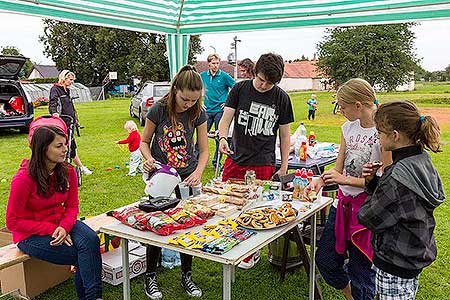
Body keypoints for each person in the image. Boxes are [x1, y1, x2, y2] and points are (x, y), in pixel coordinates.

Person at [304, 78, 391, 300]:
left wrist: (344, 179)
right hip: (342, 204)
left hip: (367, 210)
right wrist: (321, 181)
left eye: (343, 107)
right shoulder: (347, 128)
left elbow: (385, 181)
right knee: (325, 260)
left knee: (361, 271)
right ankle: (352, 296)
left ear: (358, 105)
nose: (340, 111)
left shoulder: (383, 133)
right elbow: (339, 167)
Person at [358, 101, 445, 300]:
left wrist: (371, 191)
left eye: (379, 133)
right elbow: (401, 202)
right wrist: (373, 182)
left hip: (395, 263)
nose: (378, 139)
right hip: (413, 254)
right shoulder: (420, 159)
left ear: (395, 135)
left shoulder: (397, 176)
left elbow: (369, 217)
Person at [6, 124, 103, 300]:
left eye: (65, 144)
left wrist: (64, 227)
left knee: (91, 241)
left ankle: (93, 297)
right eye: (59, 146)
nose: (66, 149)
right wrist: (51, 229)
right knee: (82, 254)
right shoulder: (23, 179)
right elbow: (12, 221)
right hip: (29, 235)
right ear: (43, 149)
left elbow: (72, 206)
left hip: (61, 223)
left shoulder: (68, 171)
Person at [218, 53, 294, 269]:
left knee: (258, 207)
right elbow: (226, 120)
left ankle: (252, 251)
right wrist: (223, 138)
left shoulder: (281, 97)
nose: (264, 85)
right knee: (228, 204)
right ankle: (230, 243)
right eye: (261, 79)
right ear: (255, 72)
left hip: (263, 161)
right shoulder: (240, 89)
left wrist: (285, 165)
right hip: (236, 157)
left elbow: (285, 135)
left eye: (269, 83)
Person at [140, 65, 209, 300]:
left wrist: (198, 172)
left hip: (188, 176)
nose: (188, 104)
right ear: (175, 89)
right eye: (185, 99)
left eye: (193, 100)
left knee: (188, 226)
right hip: (162, 178)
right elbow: (144, 142)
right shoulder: (159, 108)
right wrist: (149, 160)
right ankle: (150, 277)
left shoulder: (198, 111)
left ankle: (187, 275)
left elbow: (204, 150)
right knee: (156, 226)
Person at [49, 70, 93, 175]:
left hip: (70, 122)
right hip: (61, 122)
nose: (71, 82)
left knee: (71, 145)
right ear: (64, 78)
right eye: (70, 79)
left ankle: (80, 167)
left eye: (73, 80)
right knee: (67, 146)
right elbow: (53, 102)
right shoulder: (55, 89)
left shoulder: (66, 90)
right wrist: (54, 113)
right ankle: (73, 168)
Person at [200, 53, 235, 169]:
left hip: (220, 111)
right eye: (213, 63)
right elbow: (195, 89)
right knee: (201, 136)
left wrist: (228, 103)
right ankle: (196, 161)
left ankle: (216, 163)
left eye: (217, 63)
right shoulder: (202, 76)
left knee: (219, 137)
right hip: (207, 110)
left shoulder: (224, 76)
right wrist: (199, 103)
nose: (216, 65)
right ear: (208, 63)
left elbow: (235, 88)